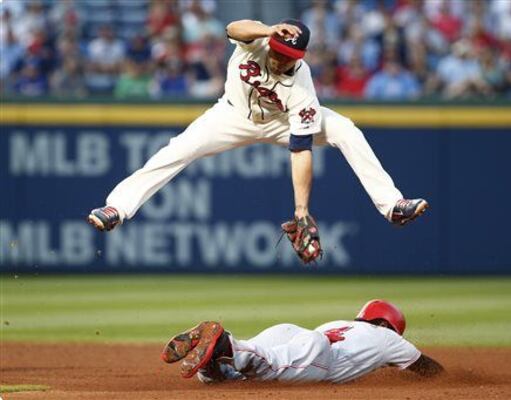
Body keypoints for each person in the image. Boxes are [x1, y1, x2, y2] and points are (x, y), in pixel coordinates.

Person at [87, 19, 428, 263]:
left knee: (346, 130)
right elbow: (233, 28)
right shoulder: (260, 41)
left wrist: (301, 210)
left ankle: (392, 205)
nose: (278, 57)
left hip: (283, 123)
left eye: (286, 55)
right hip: (232, 116)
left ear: (301, 57)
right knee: (178, 149)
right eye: (277, 50)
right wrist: (268, 30)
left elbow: (300, 151)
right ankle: (118, 207)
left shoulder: (303, 90)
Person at [160, 299, 444, 383]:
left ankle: (214, 368)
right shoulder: (388, 339)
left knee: (254, 374)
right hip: (319, 353)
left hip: (296, 333)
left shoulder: (343, 324)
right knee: (271, 366)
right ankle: (225, 346)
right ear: (388, 324)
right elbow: (428, 369)